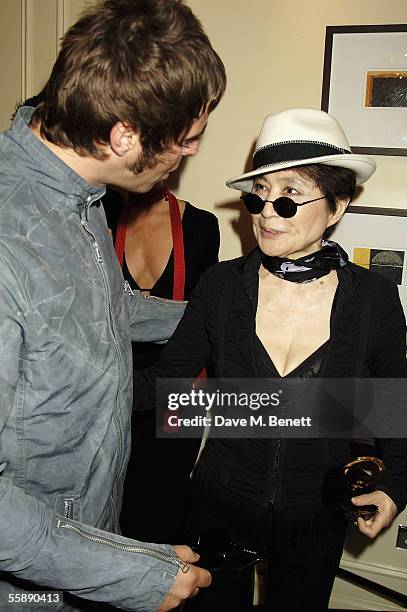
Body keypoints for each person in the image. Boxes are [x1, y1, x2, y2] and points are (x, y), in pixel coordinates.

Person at [0, 0, 226, 610]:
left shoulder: (79, 196)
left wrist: (222, 315)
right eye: (187, 139)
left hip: (84, 538)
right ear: (125, 135)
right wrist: (128, 571)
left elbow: (99, 307)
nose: (191, 154)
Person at [136, 108, 407, 611]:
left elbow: (397, 405)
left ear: (338, 205)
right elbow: (161, 382)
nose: (264, 213)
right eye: (257, 196)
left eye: (287, 197)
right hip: (217, 508)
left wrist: (396, 485)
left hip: (315, 519)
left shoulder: (373, 299)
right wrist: (67, 386)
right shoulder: (221, 286)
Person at [102, 182, 220, 543]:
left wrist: (132, 313)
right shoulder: (98, 216)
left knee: (164, 510)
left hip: (180, 393)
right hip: (114, 385)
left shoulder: (200, 224)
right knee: (109, 508)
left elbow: (206, 323)